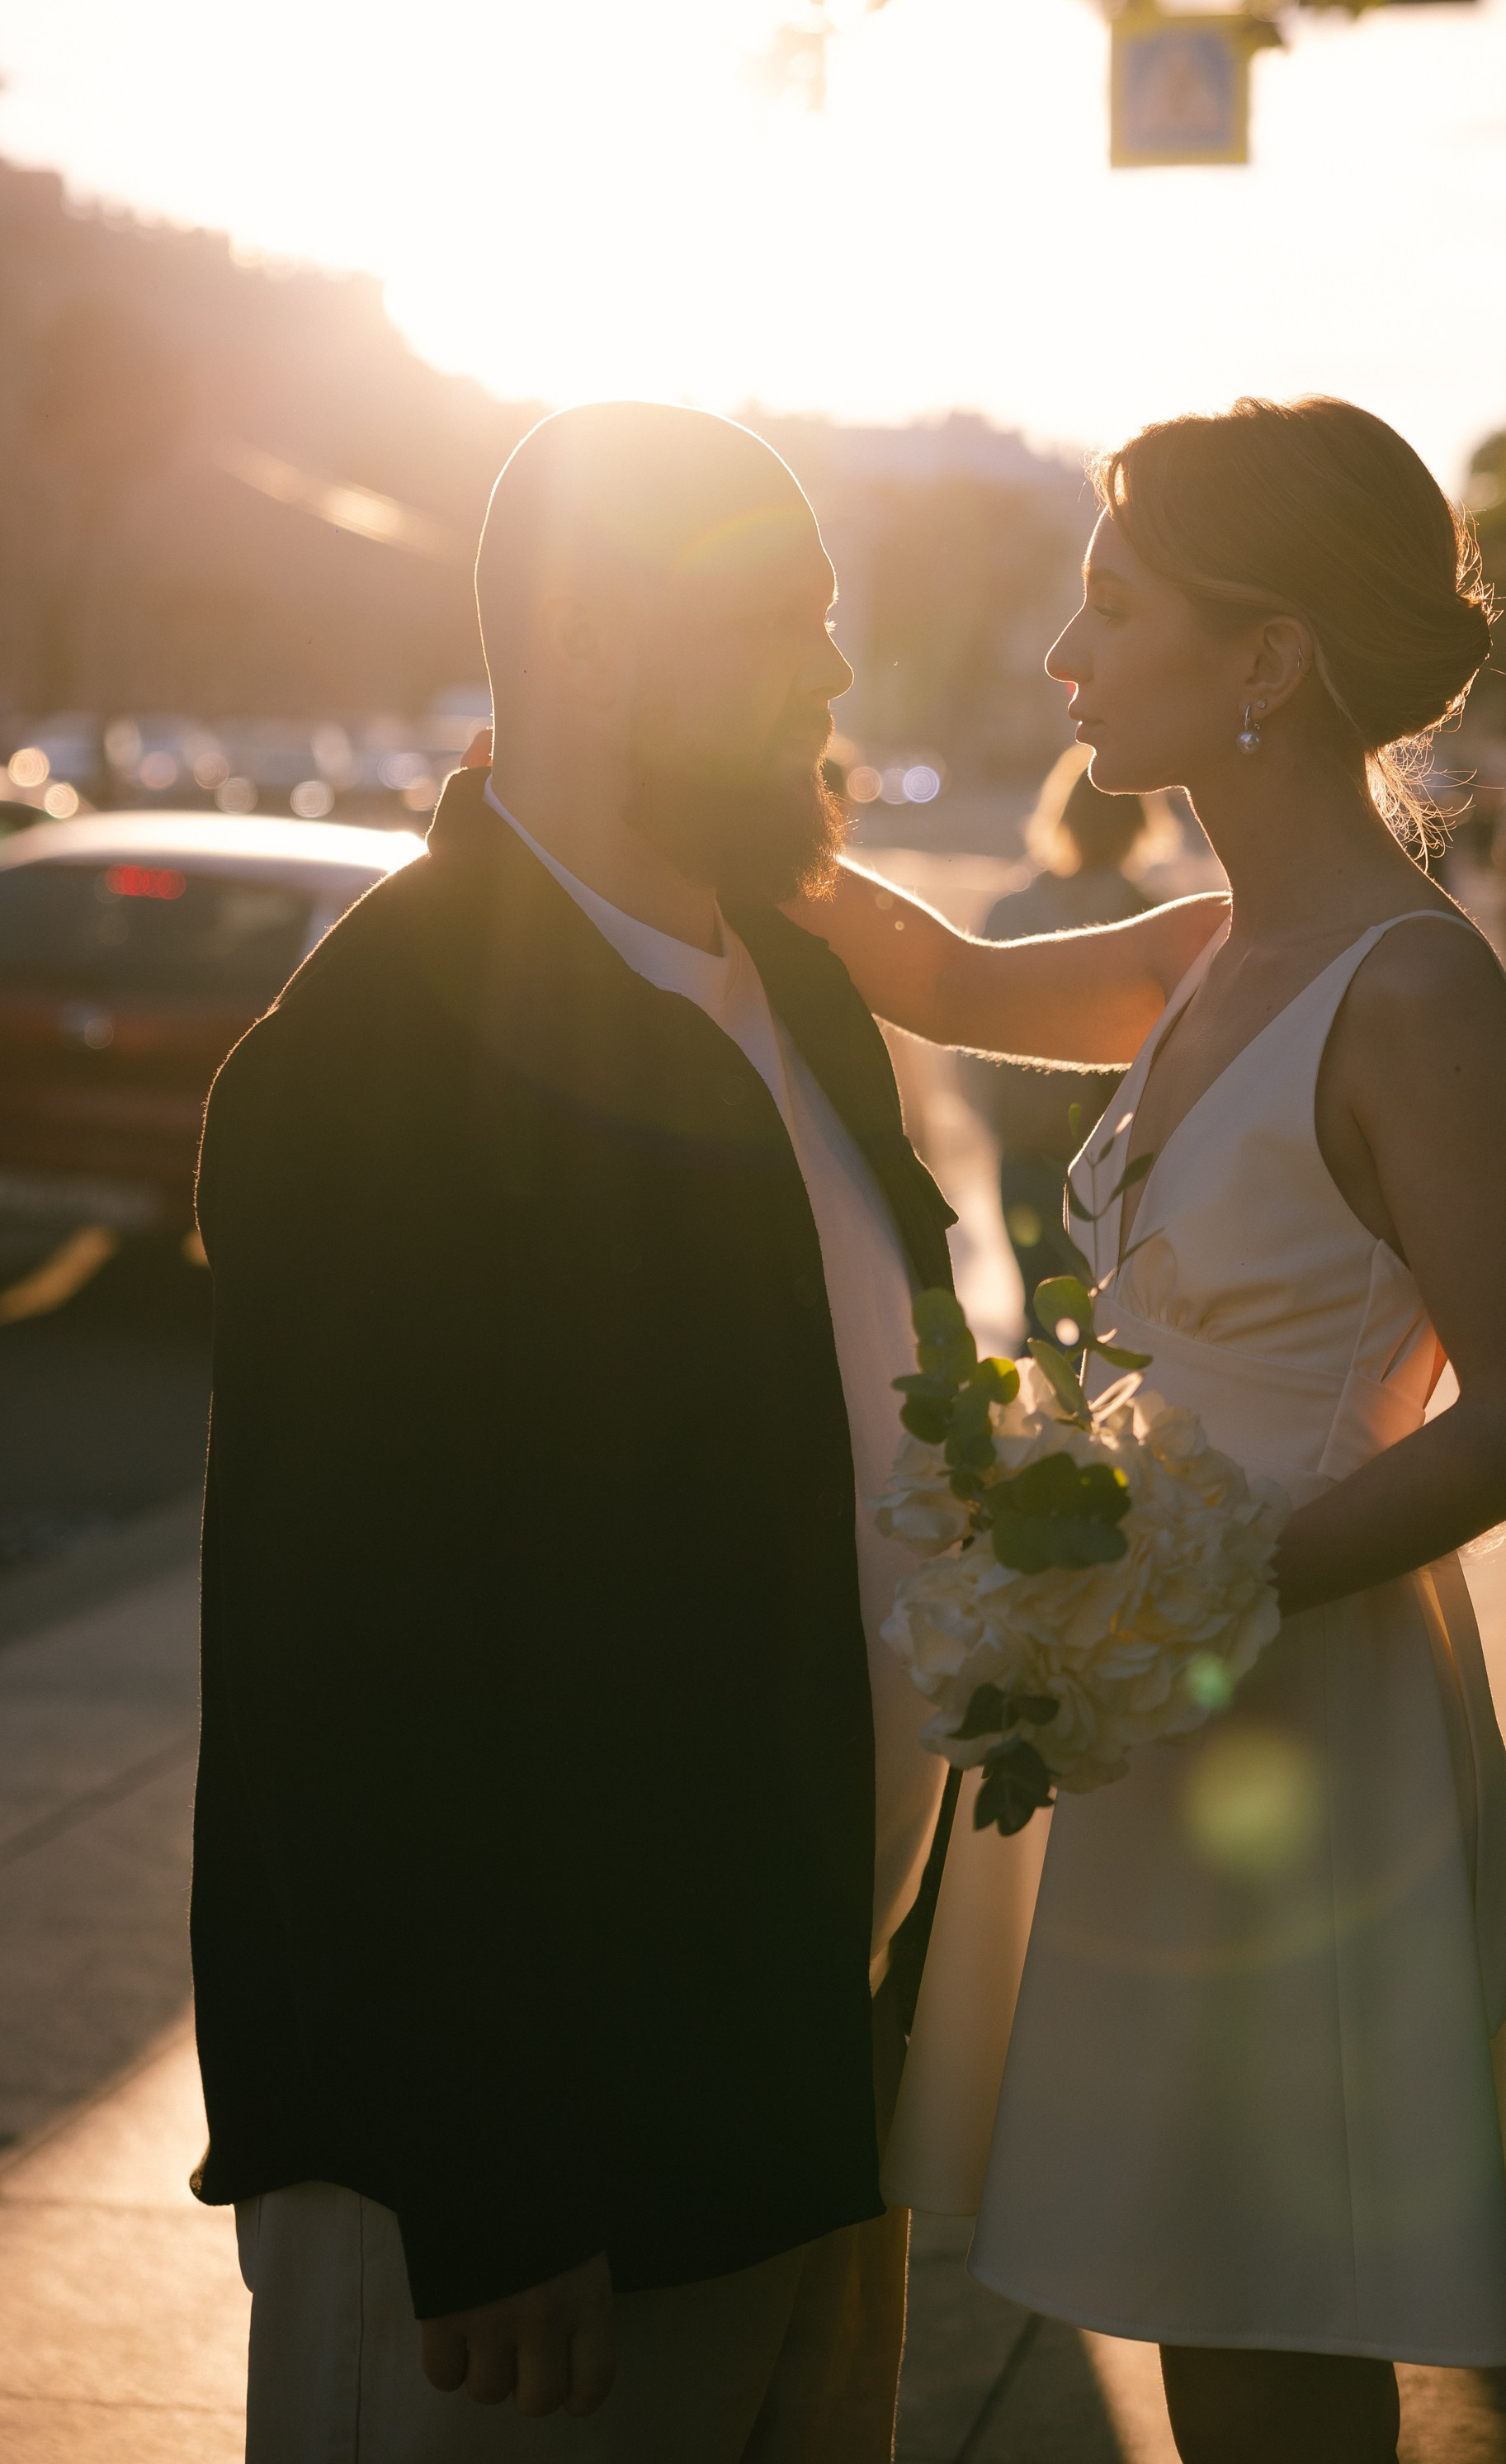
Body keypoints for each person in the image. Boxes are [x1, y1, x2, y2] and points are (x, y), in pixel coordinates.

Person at [187, 403, 1037, 2461]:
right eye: (782, 621)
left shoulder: (804, 998)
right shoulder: (382, 1046)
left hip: (797, 2109)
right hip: (519, 2220)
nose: (833, 675)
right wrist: (486, 2187)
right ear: (585, 635)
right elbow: (342, 1664)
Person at [795, 395, 1506, 2464]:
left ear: (1263, 662)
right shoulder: (1196, 949)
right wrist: (669, 804)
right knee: (1186, 2280)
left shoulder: (1413, 992)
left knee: (1275, 2314)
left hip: (1295, 1703)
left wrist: (1202, 1588)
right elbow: (920, 966)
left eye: (1110, 608)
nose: (1062, 662)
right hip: (1151, 1686)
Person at [966, 748, 1164, 1323]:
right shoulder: (1148, 919)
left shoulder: (1009, 912)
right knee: (1113, 1328)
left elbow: (971, 1051)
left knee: (1038, 1319)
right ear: (1138, 827)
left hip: (1021, 1148)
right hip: (1113, 1168)